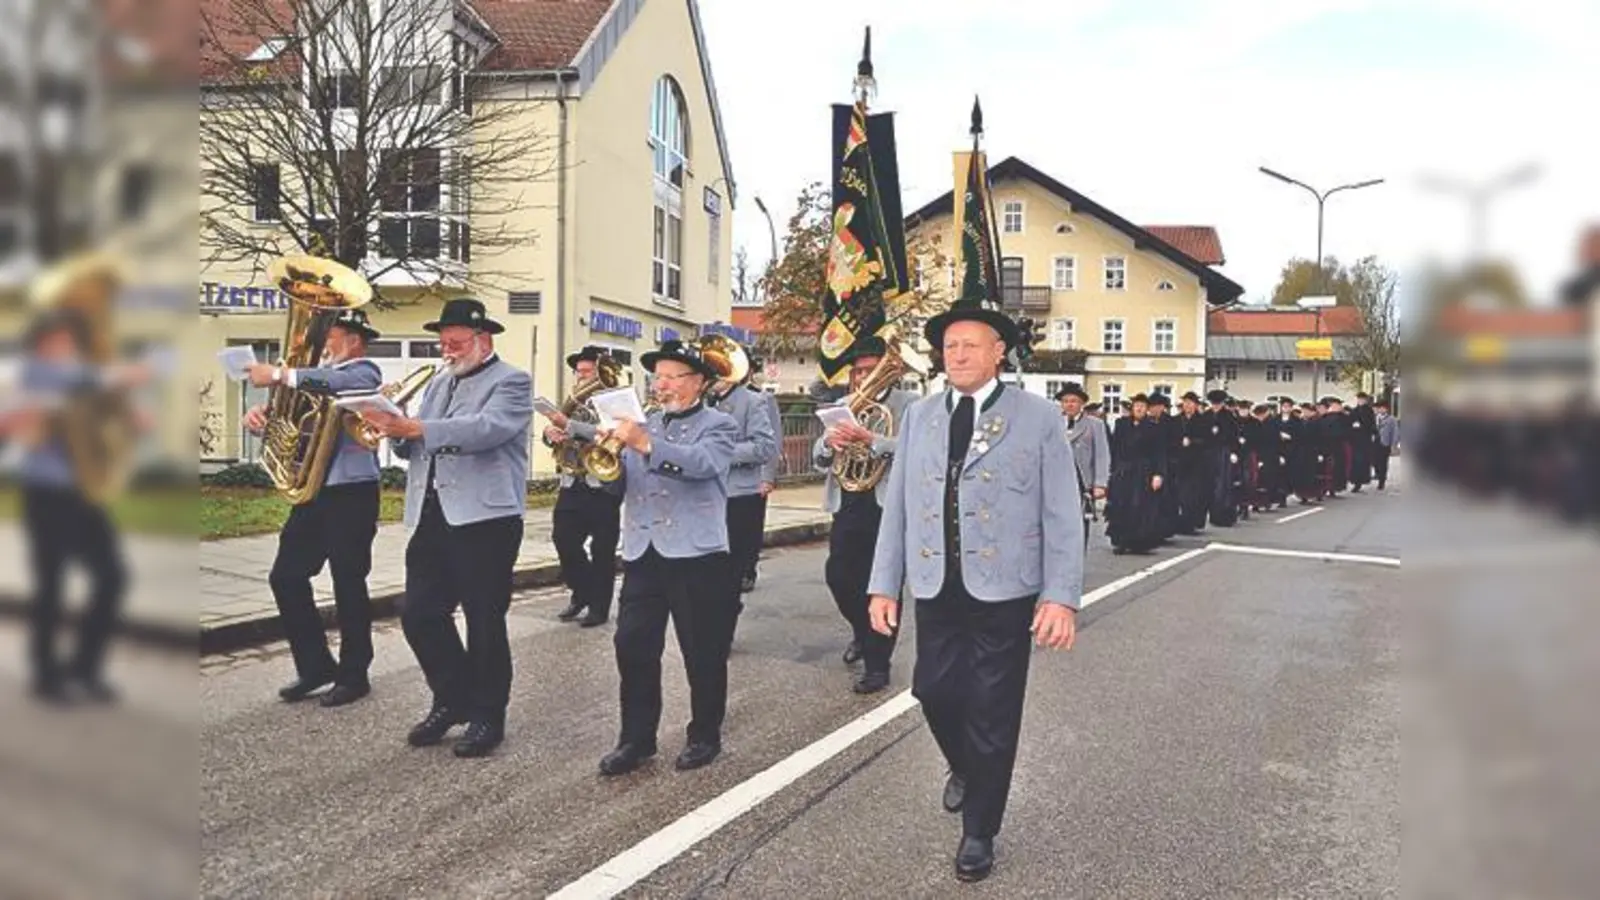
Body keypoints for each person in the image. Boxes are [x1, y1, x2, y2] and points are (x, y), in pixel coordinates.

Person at [867, 304, 1083, 884]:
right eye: (949, 346)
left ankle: (979, 831)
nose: (957, 355)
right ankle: (966, 767)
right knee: (933, 689)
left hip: (1006, 589)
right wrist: (884, 584)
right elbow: (901, 509)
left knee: (992, 710)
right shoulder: (920, 415)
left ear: (998, 353)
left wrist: (1060, 597)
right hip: (938, 583)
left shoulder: (1037, 418)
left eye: (970, 345)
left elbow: (1063, 512)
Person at [363, 298, 533, 758]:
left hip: (486, 519)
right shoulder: (439, 383)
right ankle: (453, 697)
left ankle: (487, 715)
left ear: (484, 340)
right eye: (443, 343)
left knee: (484, 620)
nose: (448, 351)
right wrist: (393, 430)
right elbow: (417, 448)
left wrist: (415, 427)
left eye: (456, 343)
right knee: (419, 613)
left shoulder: (513, 381)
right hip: (433, 514)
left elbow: (487, 430)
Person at [597, 339, 740, 776]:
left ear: (696, 382)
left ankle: (705, 735)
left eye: (671, 376)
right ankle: (636, 739)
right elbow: (617, 486)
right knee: (633, 646)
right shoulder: (644, 423)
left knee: (703, 650)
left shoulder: (719, 424)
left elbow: (701, 464)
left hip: (697, 552)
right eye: (657, 376)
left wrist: (644, 444)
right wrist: (607, 455)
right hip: (644, 549)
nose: (661, 385)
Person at [244, 308, 384, 707]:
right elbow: (288, 419)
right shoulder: (315, 379)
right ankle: (315, 666)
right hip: (313, 491)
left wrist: (280, 374)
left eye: (332, 336)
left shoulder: (364, 371)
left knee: (348, 581)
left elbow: (342, 383)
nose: (324, 344)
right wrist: (261, 418)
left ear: (355, 339)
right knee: (285, 576)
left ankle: (355, 673)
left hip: (352, 493)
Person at [10, 302, 144, 703]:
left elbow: (99, 406)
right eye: (58, 342)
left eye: (69, 342)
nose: (65, 349)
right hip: (47, 494)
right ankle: (47, 675)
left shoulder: (78, 377)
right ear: (41, 344)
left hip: (84, 493)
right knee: (51, 586)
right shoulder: (32, 374)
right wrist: (114, 377)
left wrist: (127, 416)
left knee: (112, 577)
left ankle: (84, 668)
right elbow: (72, 386)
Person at [813, 336, 916, 695]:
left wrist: (871, 439)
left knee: (884, 585)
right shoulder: (841, 404)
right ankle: (863, 627)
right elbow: (818, 458)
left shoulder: (910, 405)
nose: (862, 378)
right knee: (838, 577)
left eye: (870, 371)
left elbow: (915, 451)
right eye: (858, 372)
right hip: (849, 501)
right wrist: (829, 443)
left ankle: (878, 665)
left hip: (886, 505)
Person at [542, 346, 624, 627]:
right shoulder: (571, 402)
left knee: (603, 551)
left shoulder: (615, 404)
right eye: (579, 372)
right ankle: (582, 591)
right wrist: (550, 433)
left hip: (603, 485)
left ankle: (598, 608)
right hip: (572, 482)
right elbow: (559, 434)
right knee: (563, 540)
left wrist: (570, 425)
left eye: (589, 372)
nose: (583, 377)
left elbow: (612, 435)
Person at [705, 347, 776, 609]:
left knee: (732, 566)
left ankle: (725, 619)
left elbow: (766, 447)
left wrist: (722, 452)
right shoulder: (703, 401)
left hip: (738, 492)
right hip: (706, 493)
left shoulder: (753, 400)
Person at [1105, 394, 1167, 554]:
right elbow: (1114, 448)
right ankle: (1120, 540)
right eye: (1136, 405)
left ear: (1147, 409)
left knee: (1139, 506)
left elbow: (1159, 453)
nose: (1139, 408)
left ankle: (1139, 542)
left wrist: (1158, 474)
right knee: (1120, 504)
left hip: (1143, 471)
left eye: (1142, 406)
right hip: (1123, 469)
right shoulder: (1121, 424)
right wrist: (1112, 470)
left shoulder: (1154, 427)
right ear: (1132, 407)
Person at [1057, 383, 1109, 547]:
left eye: (1073, 401)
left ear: (1082, 404)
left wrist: (1100, 484)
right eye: (1065, 401)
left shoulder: (1094, 425)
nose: (1069, 405)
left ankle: (1076, 560)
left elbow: (1102, 455)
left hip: (1081, 481)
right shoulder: (1054, 423)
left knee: (1079, 524)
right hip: (1057, 480)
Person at [746, 356, 782, 591]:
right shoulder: (714, 399)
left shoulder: (762, 398)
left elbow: (774, 438)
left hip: (753, 473)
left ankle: (747, 569)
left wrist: (767, 476)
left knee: (750, 525)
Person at [1172, 392, 1211, 534]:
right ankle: (1179, 523)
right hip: (1179, 462)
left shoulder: (1203, 421)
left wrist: (1193, 442)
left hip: (1197, 463)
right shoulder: (1175, 420)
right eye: (1185, 403)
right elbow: (1170, 439)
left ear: (1196, 405)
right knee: (1180, 494)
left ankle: (1192, 523)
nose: (1187, 406)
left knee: (1193, 495)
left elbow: (1208, 440)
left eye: (1190, 403)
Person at [1347, 392, 1378, 492]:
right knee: (1355, 461)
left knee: (1362, 461)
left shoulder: (1369, 411)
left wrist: (1362, 426)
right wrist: (1352, 426)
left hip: (1364, 439)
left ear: (1365, 400)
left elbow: (1372, 425)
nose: (1360, 401)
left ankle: (1360, 481)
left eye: (1362, 399)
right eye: (1359, 399)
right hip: (1355, 439)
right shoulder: (1354, 410)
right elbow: (1349, 421)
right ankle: (1355, 481)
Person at [1374, 400, 1399, 490]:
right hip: (1375, 442)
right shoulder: (1374, 418)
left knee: (1383, 462)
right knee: (1374, 461)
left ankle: (1382, 480)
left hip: (1385, 443)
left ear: (1386, 409)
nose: (1380, 410)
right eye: (1378, 408)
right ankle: (1377, 473)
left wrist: (1394, 445)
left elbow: (1395, 432)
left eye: (1382, 408)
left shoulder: (1391, 419)